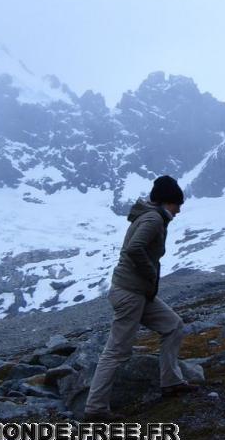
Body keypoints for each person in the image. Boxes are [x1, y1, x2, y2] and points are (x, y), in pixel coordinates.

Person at [83, 175, 200, 421]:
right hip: (130, 293)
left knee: (173, 325)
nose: (179, 210)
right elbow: (133, 249)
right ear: (168, 202)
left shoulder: (153, 217)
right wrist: (149, 275)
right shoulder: (153, 219)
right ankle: (95, 408)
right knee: (116, 351)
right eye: (177, 204)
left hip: (139, 292)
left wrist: (148, 283)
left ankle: (171, 382)